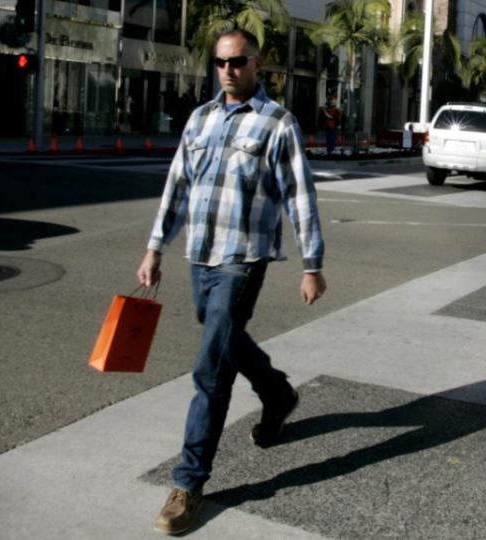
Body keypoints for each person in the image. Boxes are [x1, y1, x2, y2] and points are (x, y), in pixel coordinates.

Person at [136, 28, 327, 535]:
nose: (228, 70)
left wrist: (312, 264)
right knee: (219, 337)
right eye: (221, 63)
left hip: (243, 259)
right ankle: (276, 392)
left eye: (238, 62)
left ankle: (188, 483)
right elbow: (177, 186)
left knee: (211, 367)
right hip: (200, 256)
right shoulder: (200, 119)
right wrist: (156, 248)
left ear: (257, 64)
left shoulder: (277, 123)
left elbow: (300, 196)